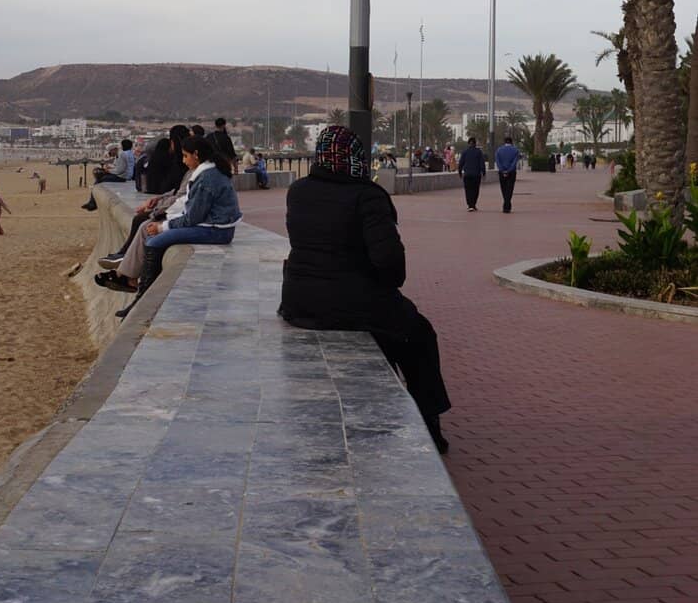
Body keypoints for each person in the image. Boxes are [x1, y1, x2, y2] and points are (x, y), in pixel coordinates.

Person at [280, 124, 451, 454]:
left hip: (300, 302)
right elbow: (390, 263)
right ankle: (428, 421)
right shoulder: (367, 196)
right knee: (419, 335)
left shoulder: (297, 191)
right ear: (356, 158)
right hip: (353, 305)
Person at [115, 135, 241, 319]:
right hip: (212, 226)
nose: (183, 160)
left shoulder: (207, 178)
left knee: (155, 241)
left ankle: (142, 301)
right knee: (152, 234)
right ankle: (141, 298)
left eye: (185, 156)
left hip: (216, 230)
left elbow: (193, 217)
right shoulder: (208, 172)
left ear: (196, 155)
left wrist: (163, 227)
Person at [81, 138, 135, 211]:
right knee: (100, 178)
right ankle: (92, 202)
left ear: (114, 150)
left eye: (110, 151)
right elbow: (118, 167)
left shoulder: (122, 155)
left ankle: (92, 202)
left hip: (123, 177)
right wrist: (110, 168)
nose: (109, 153)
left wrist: (108, 171)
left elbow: (120, 170)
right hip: (123, 175)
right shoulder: (122, 154)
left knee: (99, 179)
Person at [458, 136, 486, 211]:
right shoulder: (479, 152)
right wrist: (483, 173)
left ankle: (470, 205)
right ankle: (473, 204)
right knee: (475, 190)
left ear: (468, 143)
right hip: (476, 175)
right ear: (475, 144)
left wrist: (460, 172)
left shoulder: (465, 152)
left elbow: (461, 163)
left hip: (467, 174)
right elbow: (482, 163)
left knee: (468, 190)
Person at [495, 135, 520, 214]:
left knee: (503, 188)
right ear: (511, 142)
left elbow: (498, 162)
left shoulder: (499, 150)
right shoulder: (515, 150)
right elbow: (514, 162)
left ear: (504, 142)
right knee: (510, 189)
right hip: (511, 172)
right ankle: (507, 205)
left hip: (502, 172)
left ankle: (506, 204)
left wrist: (502, 170)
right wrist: (509, 170)